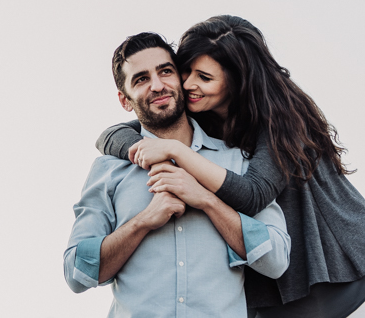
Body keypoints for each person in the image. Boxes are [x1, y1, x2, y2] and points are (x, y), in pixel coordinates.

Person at [97, 15, 365, 318]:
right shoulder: (202, 112)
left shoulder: (281, 118)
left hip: (331, 267)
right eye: (186, 72)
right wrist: (143, 152)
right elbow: (112, 135)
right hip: (266, 279)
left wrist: (174, 152)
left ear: (236, 82)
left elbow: (253, 194)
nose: (188, 84)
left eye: (205, 78)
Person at [65, 32, 290, 317]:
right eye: (141, 79)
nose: (157, 85)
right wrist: (143, 222)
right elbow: (76, 273)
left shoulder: (237, 161)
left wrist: (207, 200)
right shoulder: (108, 169)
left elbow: (276, 260)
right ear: (124, 100)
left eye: (165, 71)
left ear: (181, 80)